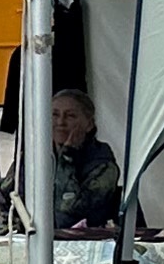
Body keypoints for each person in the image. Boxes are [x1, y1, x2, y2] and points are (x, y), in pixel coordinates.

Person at [49, 89, 121, 234]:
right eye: (54, 115)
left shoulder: (102, 164)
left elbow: (67, 218)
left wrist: (67, 158)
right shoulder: (37, 155)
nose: (60, 122)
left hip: (82, 241)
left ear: (89, 124)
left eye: (70, 116)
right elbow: (6, 198)